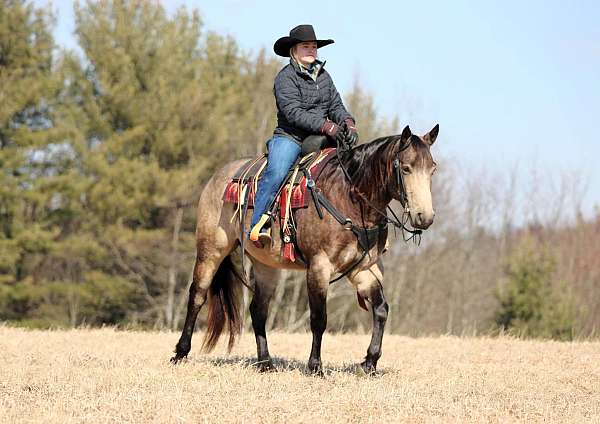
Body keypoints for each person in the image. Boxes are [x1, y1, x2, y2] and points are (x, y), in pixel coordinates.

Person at [249, 24, 359, 245]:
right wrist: (327, 127)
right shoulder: (285, 78)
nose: (311, 50)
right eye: (305, 46)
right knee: (277, 171)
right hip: (290, 136)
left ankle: (358, 223)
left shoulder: (324, 77)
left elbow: (336, 105)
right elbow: (293, 113)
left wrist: (348, 123)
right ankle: (258, 224)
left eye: (314, 47)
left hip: (319, 136)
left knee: (354, 166)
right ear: (294, 50)